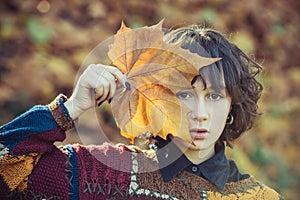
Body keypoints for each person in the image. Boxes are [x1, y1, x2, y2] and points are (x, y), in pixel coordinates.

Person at [0, 25, 283, 200]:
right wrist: (69, 109)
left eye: (214, 96)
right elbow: (8, 172)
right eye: (184, 94)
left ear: (232, 105)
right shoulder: (105, 173)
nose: (200, 113)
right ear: (157, 97)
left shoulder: (259, 198)